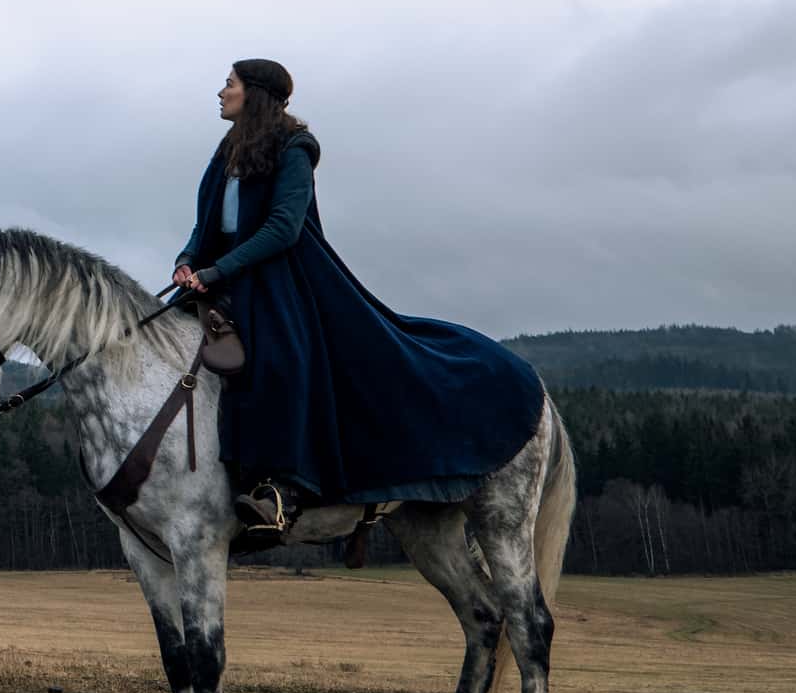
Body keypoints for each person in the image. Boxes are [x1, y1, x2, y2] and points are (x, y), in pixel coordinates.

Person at [169, 58, 544, 539]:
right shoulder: (227, 150)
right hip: (223, 277)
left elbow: (283, 228)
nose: (221, 93)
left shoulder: (294, 148)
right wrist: (187, 259)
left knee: (281, 358)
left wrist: (218, 269)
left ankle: (283, 486)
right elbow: (207, 222)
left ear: (255, 93)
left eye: (229, 84)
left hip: (283, 279)